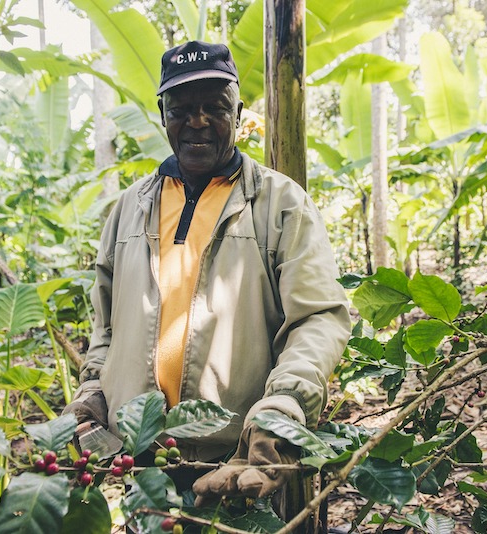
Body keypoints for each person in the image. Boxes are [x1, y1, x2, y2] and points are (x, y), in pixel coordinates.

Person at [63, 40, 350, 506]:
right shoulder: (129, 209)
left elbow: (318, 317)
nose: (197, 121)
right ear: (162, 114)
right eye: (182, 109)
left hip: (242, 460)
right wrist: (94, 388)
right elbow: (107, 323)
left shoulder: (280, 203)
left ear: (237, 113)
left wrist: (283, 408)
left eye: (214, 108)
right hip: (147, 459)